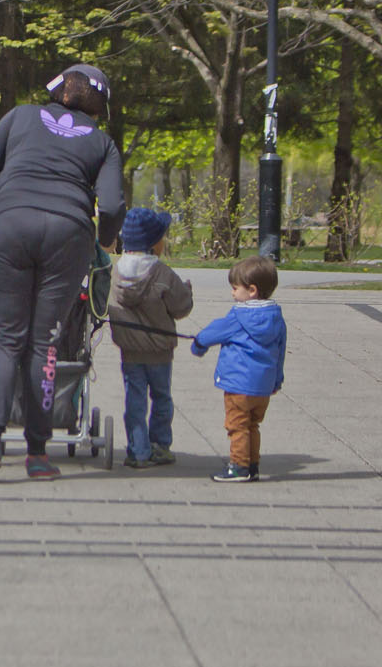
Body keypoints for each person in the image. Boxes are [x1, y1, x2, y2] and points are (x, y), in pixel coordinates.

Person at [0, 64, 126, 483]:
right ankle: (37, 454)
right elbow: (109, 208)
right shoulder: (103, 143)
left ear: (57, 90)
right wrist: (105, 241)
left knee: (2, 340)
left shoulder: (19, 116)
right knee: (45, 343)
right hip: (67, 237)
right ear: (99, 106)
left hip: (10, 227)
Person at [109, 206, 194, 469]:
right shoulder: (163, 274)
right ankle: (160, 445)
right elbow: (181, 308)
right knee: (161, 398)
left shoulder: (116, 272)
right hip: (160, 351)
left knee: (134, 400)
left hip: (130, 351)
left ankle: (138, 450)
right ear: (154, 244)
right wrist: (187, 291)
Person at [189, 256, 287, 483]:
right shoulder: (276, 318)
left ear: (251, 290)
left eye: (235, 288)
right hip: (263, 387)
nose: (233, 293)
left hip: (238, 384)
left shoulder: (239, 316)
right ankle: (253, 464)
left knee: (237, 426)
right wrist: (276, 380)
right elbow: (281, 352)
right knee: (253, 425)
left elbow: (212, 333)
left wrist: (198, 345)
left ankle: (239, 466)